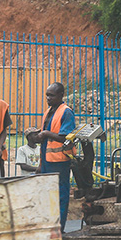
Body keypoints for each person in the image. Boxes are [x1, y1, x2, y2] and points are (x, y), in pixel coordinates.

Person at [37, 83, 76, 232]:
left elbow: (66, 137)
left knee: (60, 195)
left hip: (60, 162)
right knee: (48, 196)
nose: (48, 98)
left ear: (61, 96)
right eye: (47, 95)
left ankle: (59, 228)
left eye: (51, 95)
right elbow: (45, 141)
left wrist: (45, 134)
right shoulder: (48, 111)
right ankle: (50, 227)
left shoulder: (66, 112)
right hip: (48, 161)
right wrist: (41, 163)